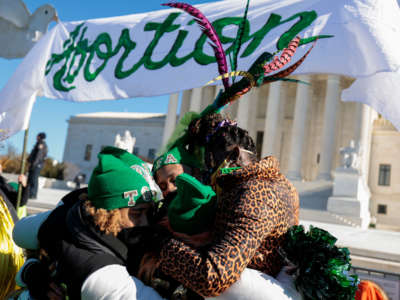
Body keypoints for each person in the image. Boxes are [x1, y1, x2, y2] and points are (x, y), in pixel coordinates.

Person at [143, 113, 300, 298]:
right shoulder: (275, 183)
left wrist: (161, 246)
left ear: (234, 155)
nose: (207, 172)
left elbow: (213, 277)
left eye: (211, 162)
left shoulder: (253, 194)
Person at [13, 147, 164, 299]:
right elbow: (20, 232)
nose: (146, 222)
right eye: (136, 213)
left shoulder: (76, 218)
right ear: (108, 214)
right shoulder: (102, 274)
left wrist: (29, 271)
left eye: (150, 213)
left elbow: (22, 232)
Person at [27, 132, 48, 199]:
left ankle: (33, 194)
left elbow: (38, 156)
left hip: (36, 165)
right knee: (31, 179)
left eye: (37, 136)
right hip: (36, 164)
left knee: (33, 179)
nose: (36, 137)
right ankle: (30, 193)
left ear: (39, 137)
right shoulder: (40, 143)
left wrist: (33, 164)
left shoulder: (41, 144)